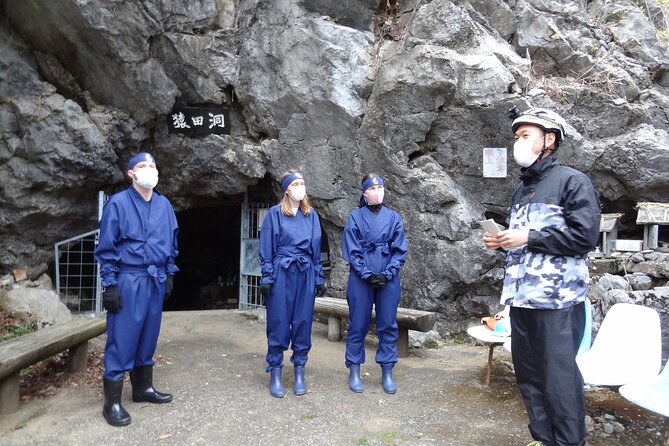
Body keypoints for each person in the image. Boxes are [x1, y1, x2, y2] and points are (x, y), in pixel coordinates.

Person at [483, 108, 601, 446]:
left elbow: (584, 238)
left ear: (549, 140)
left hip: (558, 303)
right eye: (516, 136)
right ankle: (544, 440)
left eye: (525, 136)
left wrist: (528, 237)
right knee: (530, 377)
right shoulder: (522, 189)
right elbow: (525, 243)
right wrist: (503, 241)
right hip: (522, 300)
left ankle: (568, 442)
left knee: (558, 380)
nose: (517, 142)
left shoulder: (572, 181)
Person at [94, 152, 179, 426]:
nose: (149, 170)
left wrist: (167, 273)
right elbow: (107, 246)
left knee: (148, 335)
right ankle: (112, 403)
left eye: (153, 165)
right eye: (143, 166)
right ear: (131, 173)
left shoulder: (164, 205)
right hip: (128, 279)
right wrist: (110, 284)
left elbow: (171, 240)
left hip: (154, 278)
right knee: (123, 337)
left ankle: (143, 389)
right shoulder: (117, 204)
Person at [259, 170, 326, 398]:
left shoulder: (311, 216)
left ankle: (299, 372)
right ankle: (275, 372)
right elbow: (267, 248)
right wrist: (267, 277)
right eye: (296, 183)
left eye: (302, 183)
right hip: (281, 271)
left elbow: (317, 251)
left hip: (305, 271)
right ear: (287, 189)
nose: (300, 187)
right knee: (278, 321)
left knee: (303, 321)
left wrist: (318, 277)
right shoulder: (274, 214)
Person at [342, 174, 408, 394]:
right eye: (373, 187)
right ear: (364, 193)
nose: (377, 191)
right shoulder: (355, 217)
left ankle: (387, 370)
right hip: (361, 279)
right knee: (358, 323)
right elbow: (352, 249)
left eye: (380, 186)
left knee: (387, 324)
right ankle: (354, 369)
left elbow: (399, 249)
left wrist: (388, 273)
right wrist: (366, 273)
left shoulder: (394, 218)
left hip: (388, 277)